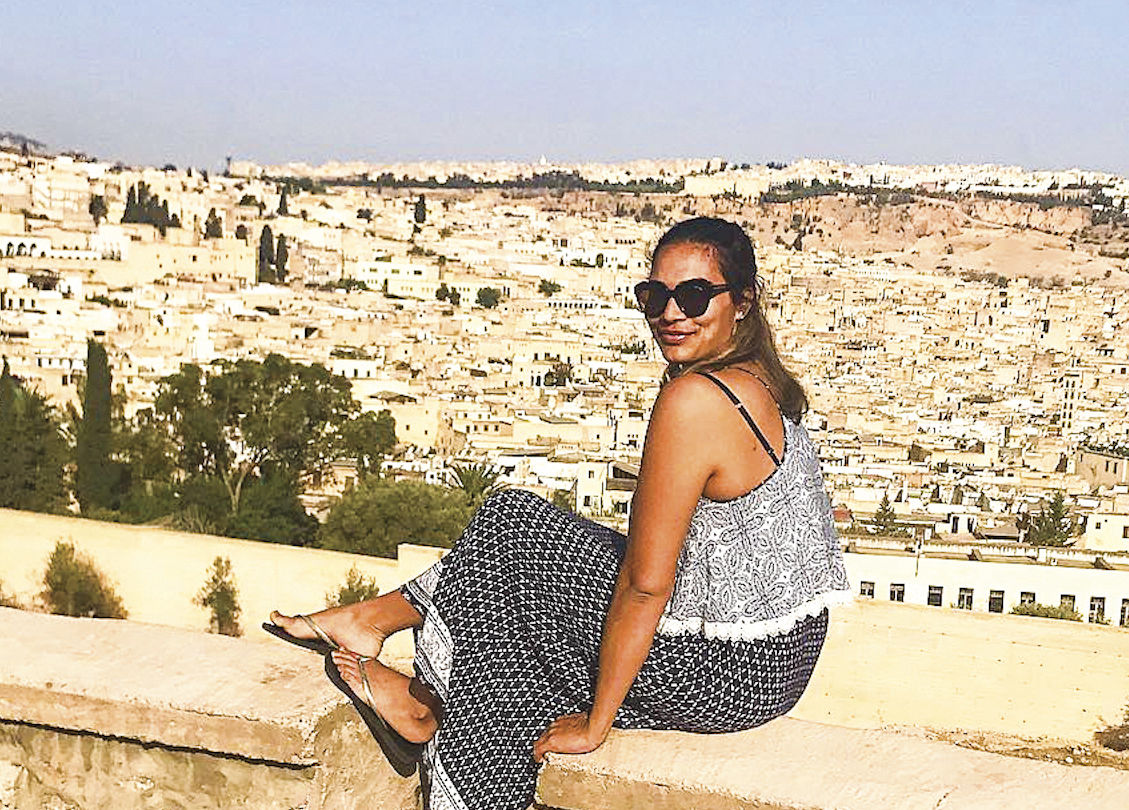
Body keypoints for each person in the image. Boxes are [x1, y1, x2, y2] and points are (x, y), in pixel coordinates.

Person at [267, 216, 851, 810]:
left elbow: (646, 585)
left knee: (510, 527)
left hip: (723, 669)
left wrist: (598, 721)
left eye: (695, 295)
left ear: (743, 300)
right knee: (516, 581)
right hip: (781, 661)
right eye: (655, 297)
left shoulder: (696, 399)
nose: (672, 314)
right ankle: (408, 676)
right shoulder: (764, 380)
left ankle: (412, 683)